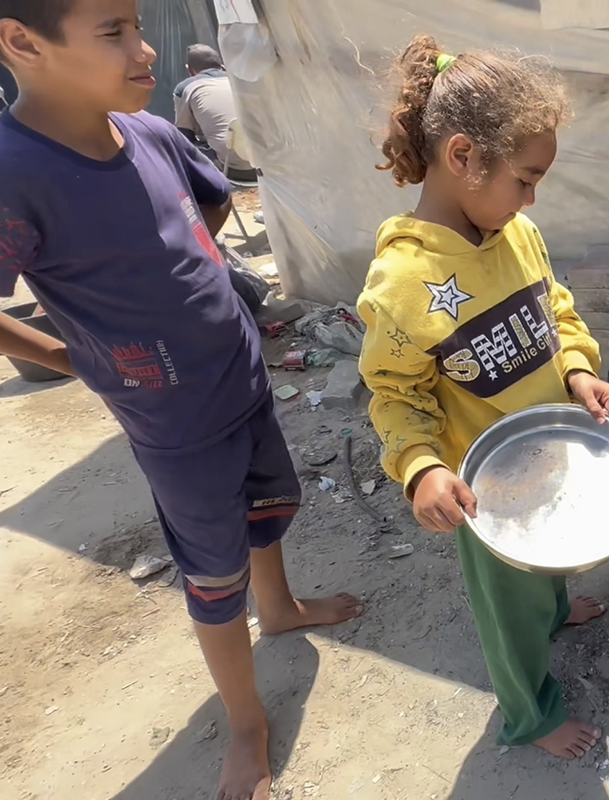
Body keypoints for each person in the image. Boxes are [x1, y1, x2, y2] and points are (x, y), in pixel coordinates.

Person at [0, 4, 361, 799]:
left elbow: (211, 202)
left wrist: (187, 279)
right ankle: (244, 722)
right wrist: (65, 353)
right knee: (211, 567)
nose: (142, 51)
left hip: (240, 376)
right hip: (171, 423)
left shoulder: (153, 135)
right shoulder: (15, 172)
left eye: (137, 25)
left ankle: (285, 605)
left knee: (264, 507)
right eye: (113, 33)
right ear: (23, 42)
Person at [357, 35, 609, 760]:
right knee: (509, 611)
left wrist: (575, 370)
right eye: (525, 179)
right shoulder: (405, 283)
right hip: (488, 491)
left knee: (552, 565)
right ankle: (531, 714)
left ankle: (556, 611)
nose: (533, 198)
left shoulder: (516, 231)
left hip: (550, 449)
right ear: (465, 157)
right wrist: (422, 468)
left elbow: (554, 309)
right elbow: (395, 395)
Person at [173, 43, 256, 182]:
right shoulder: (242, 81)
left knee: (180, 145)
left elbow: (184, 136)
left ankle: (214, 199)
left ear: (190, 70)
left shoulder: (185, 88)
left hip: (231, 168)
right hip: (266, 165)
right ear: (222, 65)